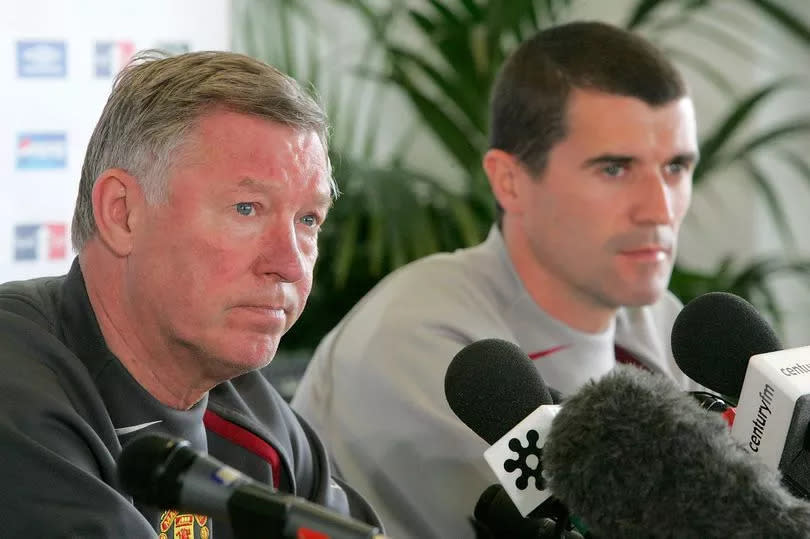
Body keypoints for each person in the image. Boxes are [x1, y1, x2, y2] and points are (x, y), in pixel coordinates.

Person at [291, 20, 703, 539]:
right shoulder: (426, 339)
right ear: (510, 182)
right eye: (614, 169)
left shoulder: (661, 319)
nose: (659, 210)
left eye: (676, 168)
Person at [0, 50, 383, 537]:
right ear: (122, 213)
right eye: (247, 208)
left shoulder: (250, 410)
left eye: (308, 220)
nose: (289, 264)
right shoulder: (14, 383)